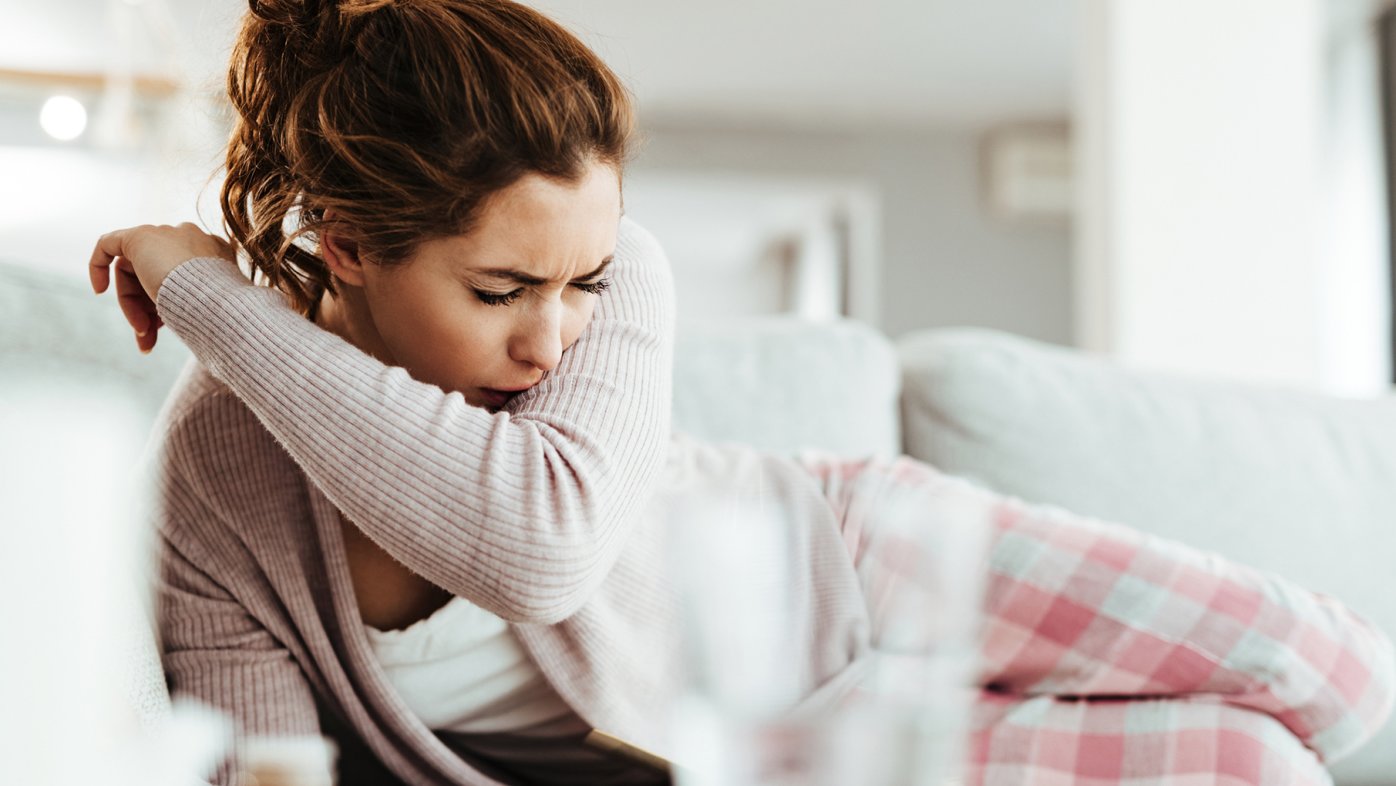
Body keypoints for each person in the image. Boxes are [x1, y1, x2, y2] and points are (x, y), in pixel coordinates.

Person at [90, 1, 1394, 784]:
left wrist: (216, 295)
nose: (554, 337)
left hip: (855, 557)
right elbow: (267, 766)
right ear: (348, 244)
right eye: (500, 292)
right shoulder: (215, 473)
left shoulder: (625, 289)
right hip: (768, 745)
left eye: (581, 278)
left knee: (1327, 663)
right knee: (1253, 765)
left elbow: (538, 540)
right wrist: (237, 334)